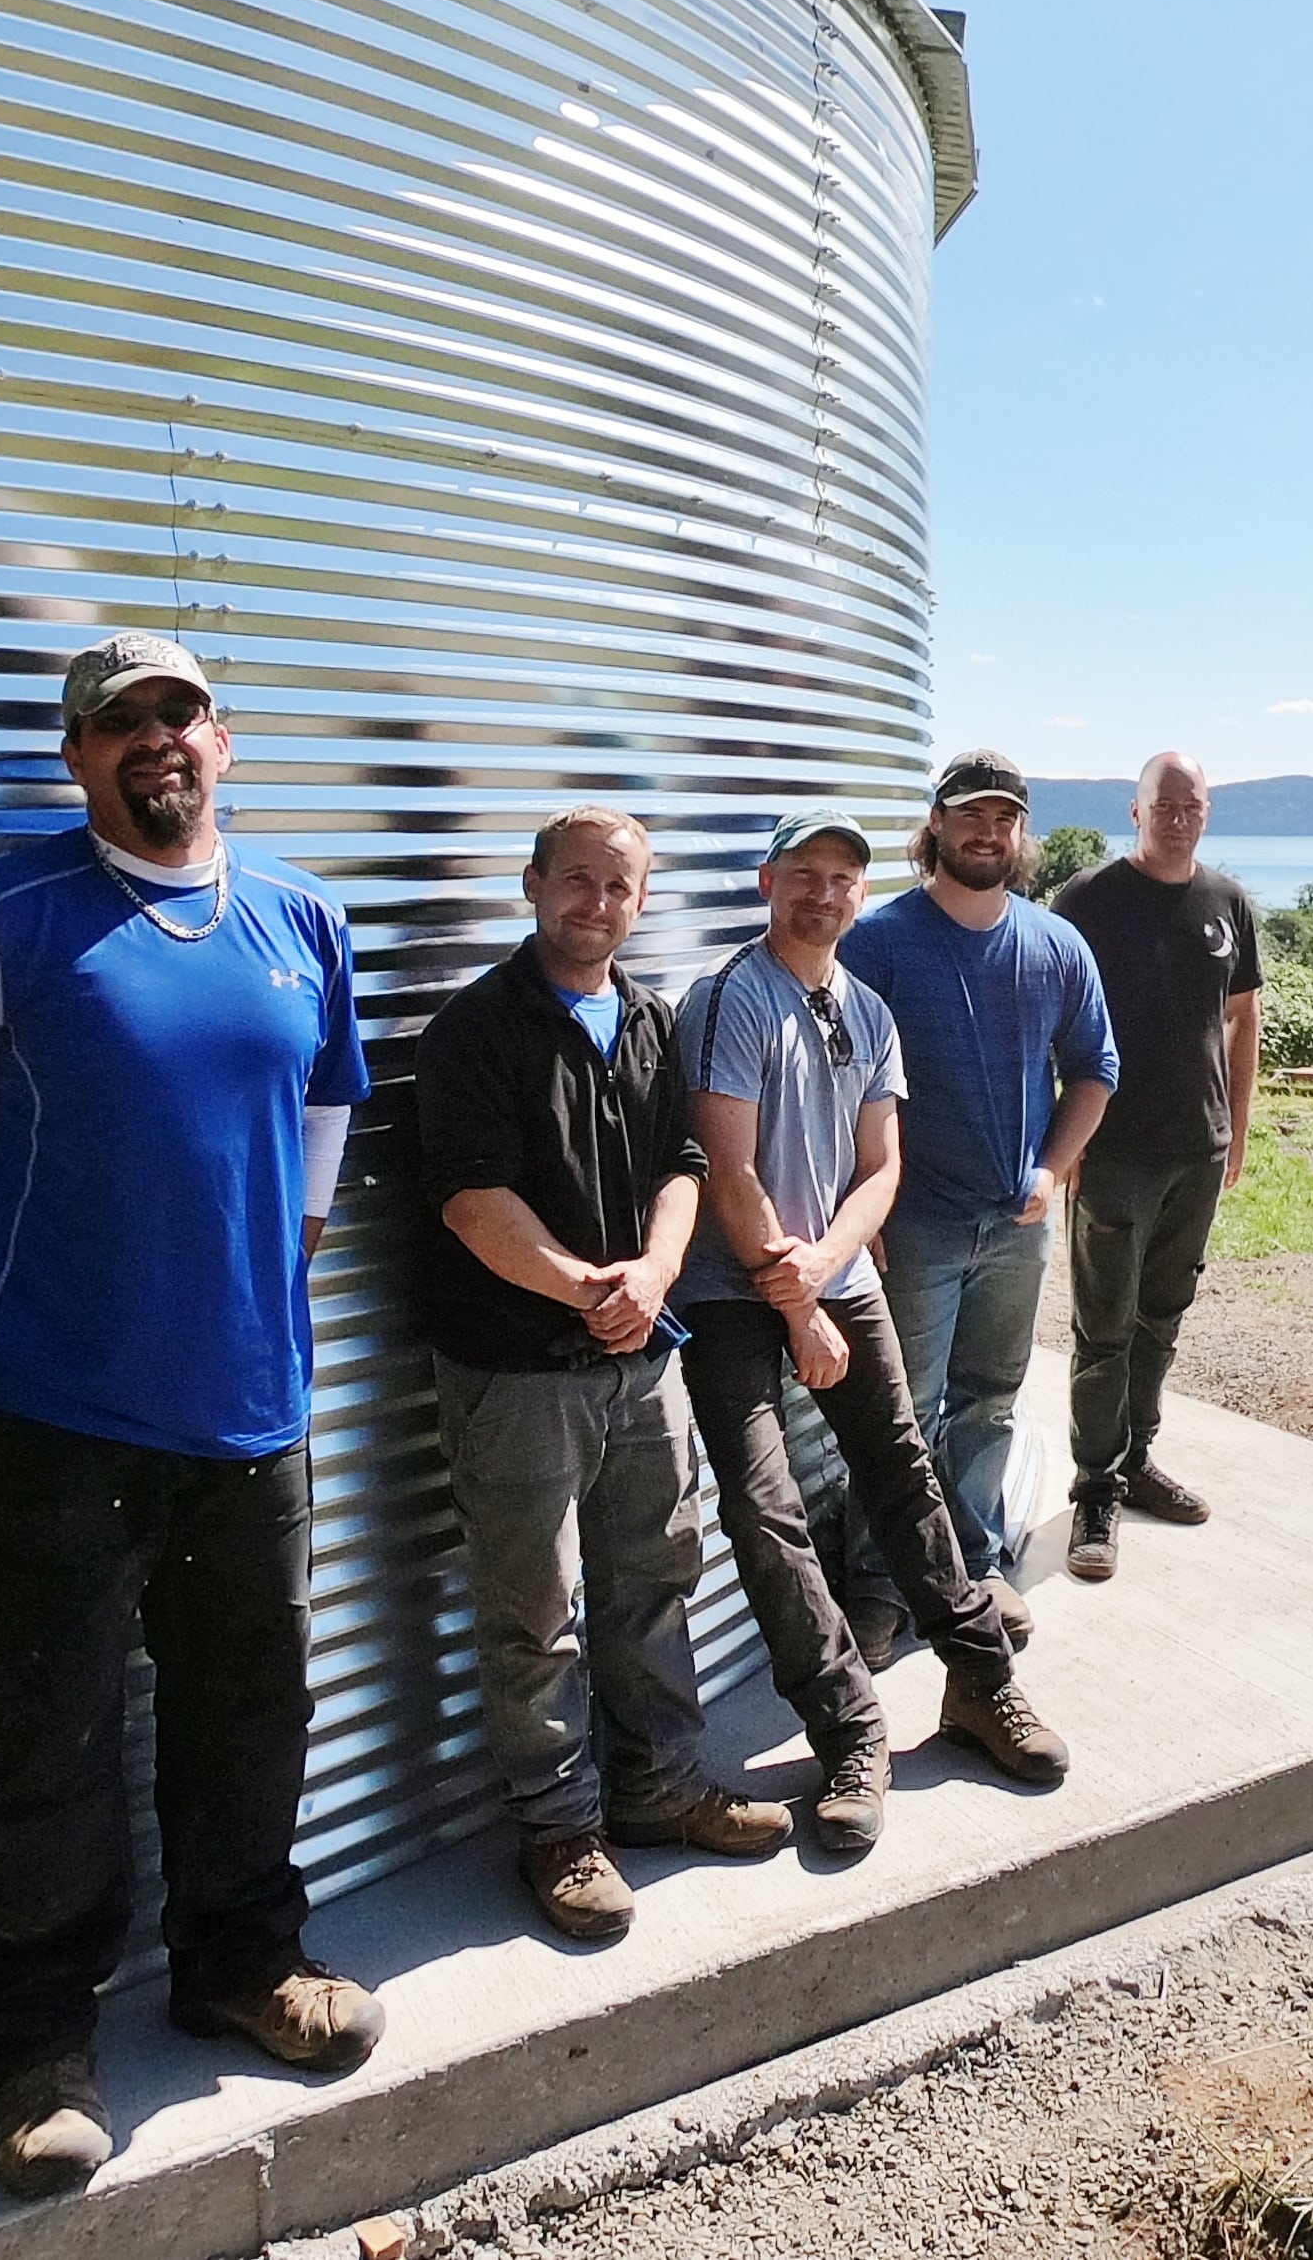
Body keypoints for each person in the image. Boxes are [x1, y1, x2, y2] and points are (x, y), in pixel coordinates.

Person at [0, 631, 381, 2201]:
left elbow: (327, 1103)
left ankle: (236, 1961)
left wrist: (280, 1262)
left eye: (180, 714)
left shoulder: (300, 916)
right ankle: (29, 2046)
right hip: (48, 1416)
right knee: (45, 1740)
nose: (157, 741)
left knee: (249, 1712)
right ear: (75, 759)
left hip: (250, 1414)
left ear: (228, 740)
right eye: (118, 723)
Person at [416, 807, 790, 1945]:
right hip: (520, 1369)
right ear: (532, 885)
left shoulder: (648, 1021)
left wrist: (658, 1270)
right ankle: (560, 1827)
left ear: (641, 899)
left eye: (618, 885)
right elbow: (472, 1200)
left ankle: (660, 1786)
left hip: (641, 1362)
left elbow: (684, 1161)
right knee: (536, 1609)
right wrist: (593, 1287)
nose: (596, 902)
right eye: (575, 880)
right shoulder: (474, 1028)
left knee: (653, 1575)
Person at [673, 808, 1072, 1830]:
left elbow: (881, 1165)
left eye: (843, 877)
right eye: (803, 873)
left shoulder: (867, 1009)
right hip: (734, 1293)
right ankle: (852, 1730)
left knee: (902, 1467)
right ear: (767, 883)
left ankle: (980, 1683)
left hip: (833, 1279)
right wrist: (797, 1293)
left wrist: (831, 1263)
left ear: (860, 894)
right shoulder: (731, 998)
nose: (824, 892)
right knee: (764, 1511)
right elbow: (728, 1170)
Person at [837, 752, 1117, 1657]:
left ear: (1021, 834)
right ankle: (881, 1588)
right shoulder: (878, 943)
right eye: (970, 815)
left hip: (1016, 1223)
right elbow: (833, 1082)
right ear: (936, 826)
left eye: (1004, 818)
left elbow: (1096, 1070)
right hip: (912, 1224)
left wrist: (1050, 1169)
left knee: (990, 1401)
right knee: (901, 1414)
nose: (987, 831)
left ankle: (977, 1561)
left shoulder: (1055, 944)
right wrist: (860, 1208)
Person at [1049, 752, 1263, 1583]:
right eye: (1163, 804)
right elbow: (1050, 1023)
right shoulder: (1088, 900)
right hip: (1114, 1148)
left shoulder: (1227, 902)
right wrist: (1060, 1144)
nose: (1179, 817)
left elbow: (1243, 1019)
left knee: (1163, 1313)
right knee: (1103, 1325)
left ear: (1207, 812)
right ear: (1133, 812)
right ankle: (1094, 1488)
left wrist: (1237, 1131)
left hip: (1196, 1147)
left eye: (1193, 805)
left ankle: (1137, 1458)